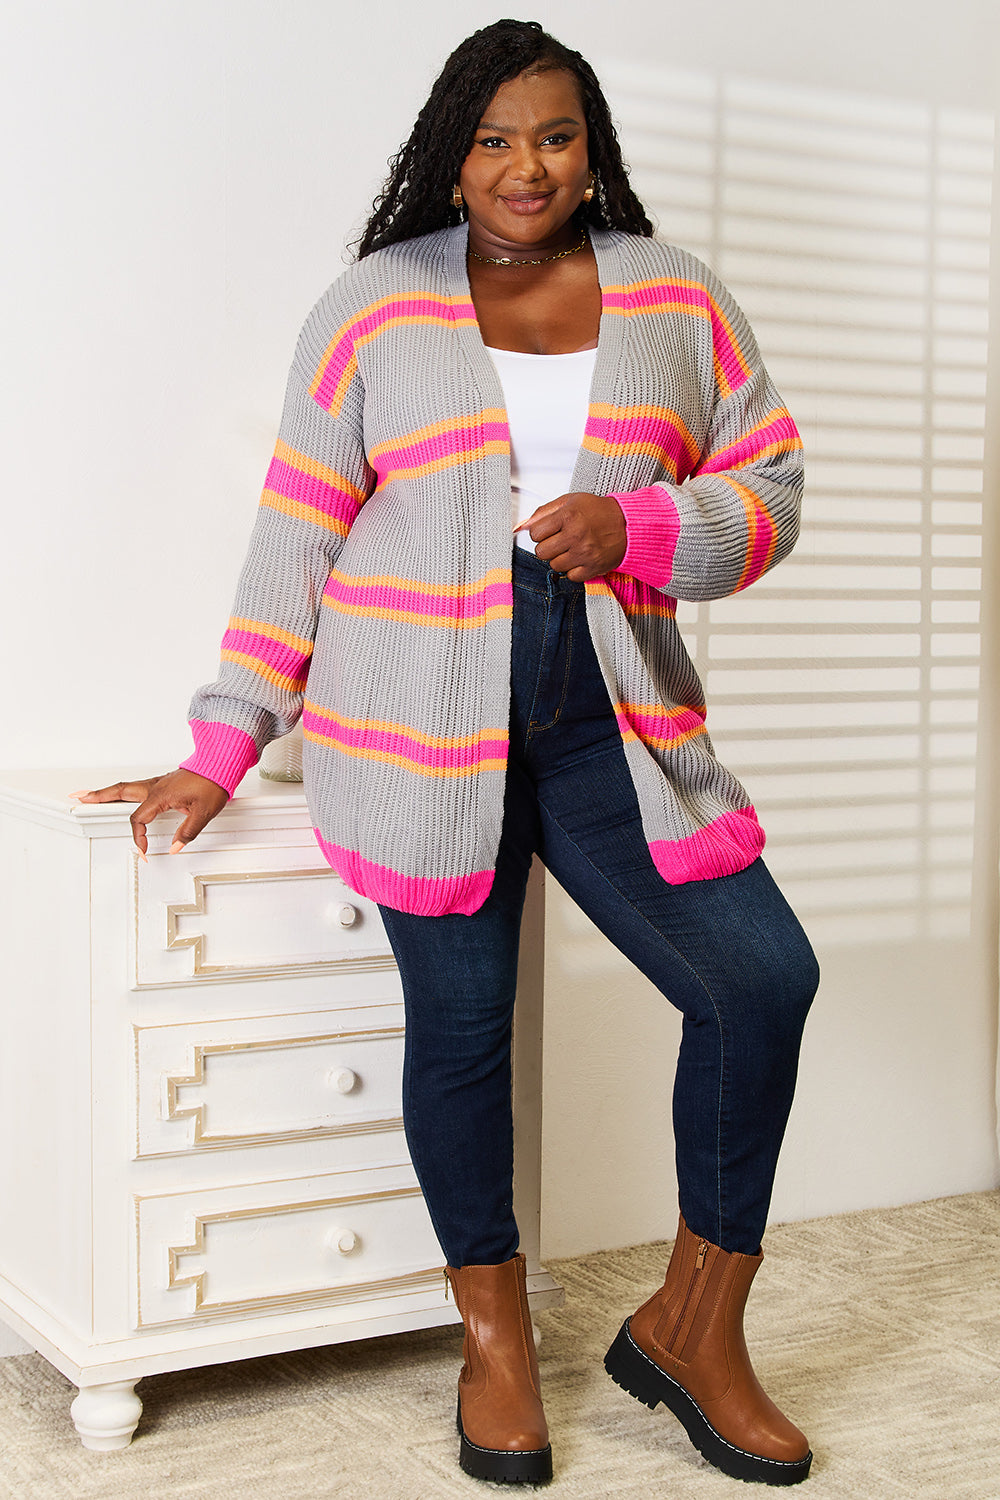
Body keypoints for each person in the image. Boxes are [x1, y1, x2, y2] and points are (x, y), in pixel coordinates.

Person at [74, 19, 820, 1489]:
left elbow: (774, 481)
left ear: (590, 142)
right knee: (465, 1037)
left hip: (611, 716)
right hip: (415, 723)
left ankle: (696, 1326)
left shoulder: (675, 300)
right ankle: (493, 1344)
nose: (523, 166)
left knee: (759, 979)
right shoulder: (373, 307)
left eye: (551, 134)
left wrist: (648, 527)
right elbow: (297, 529)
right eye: (491, 139)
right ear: (450, 153)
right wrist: (221, 748)